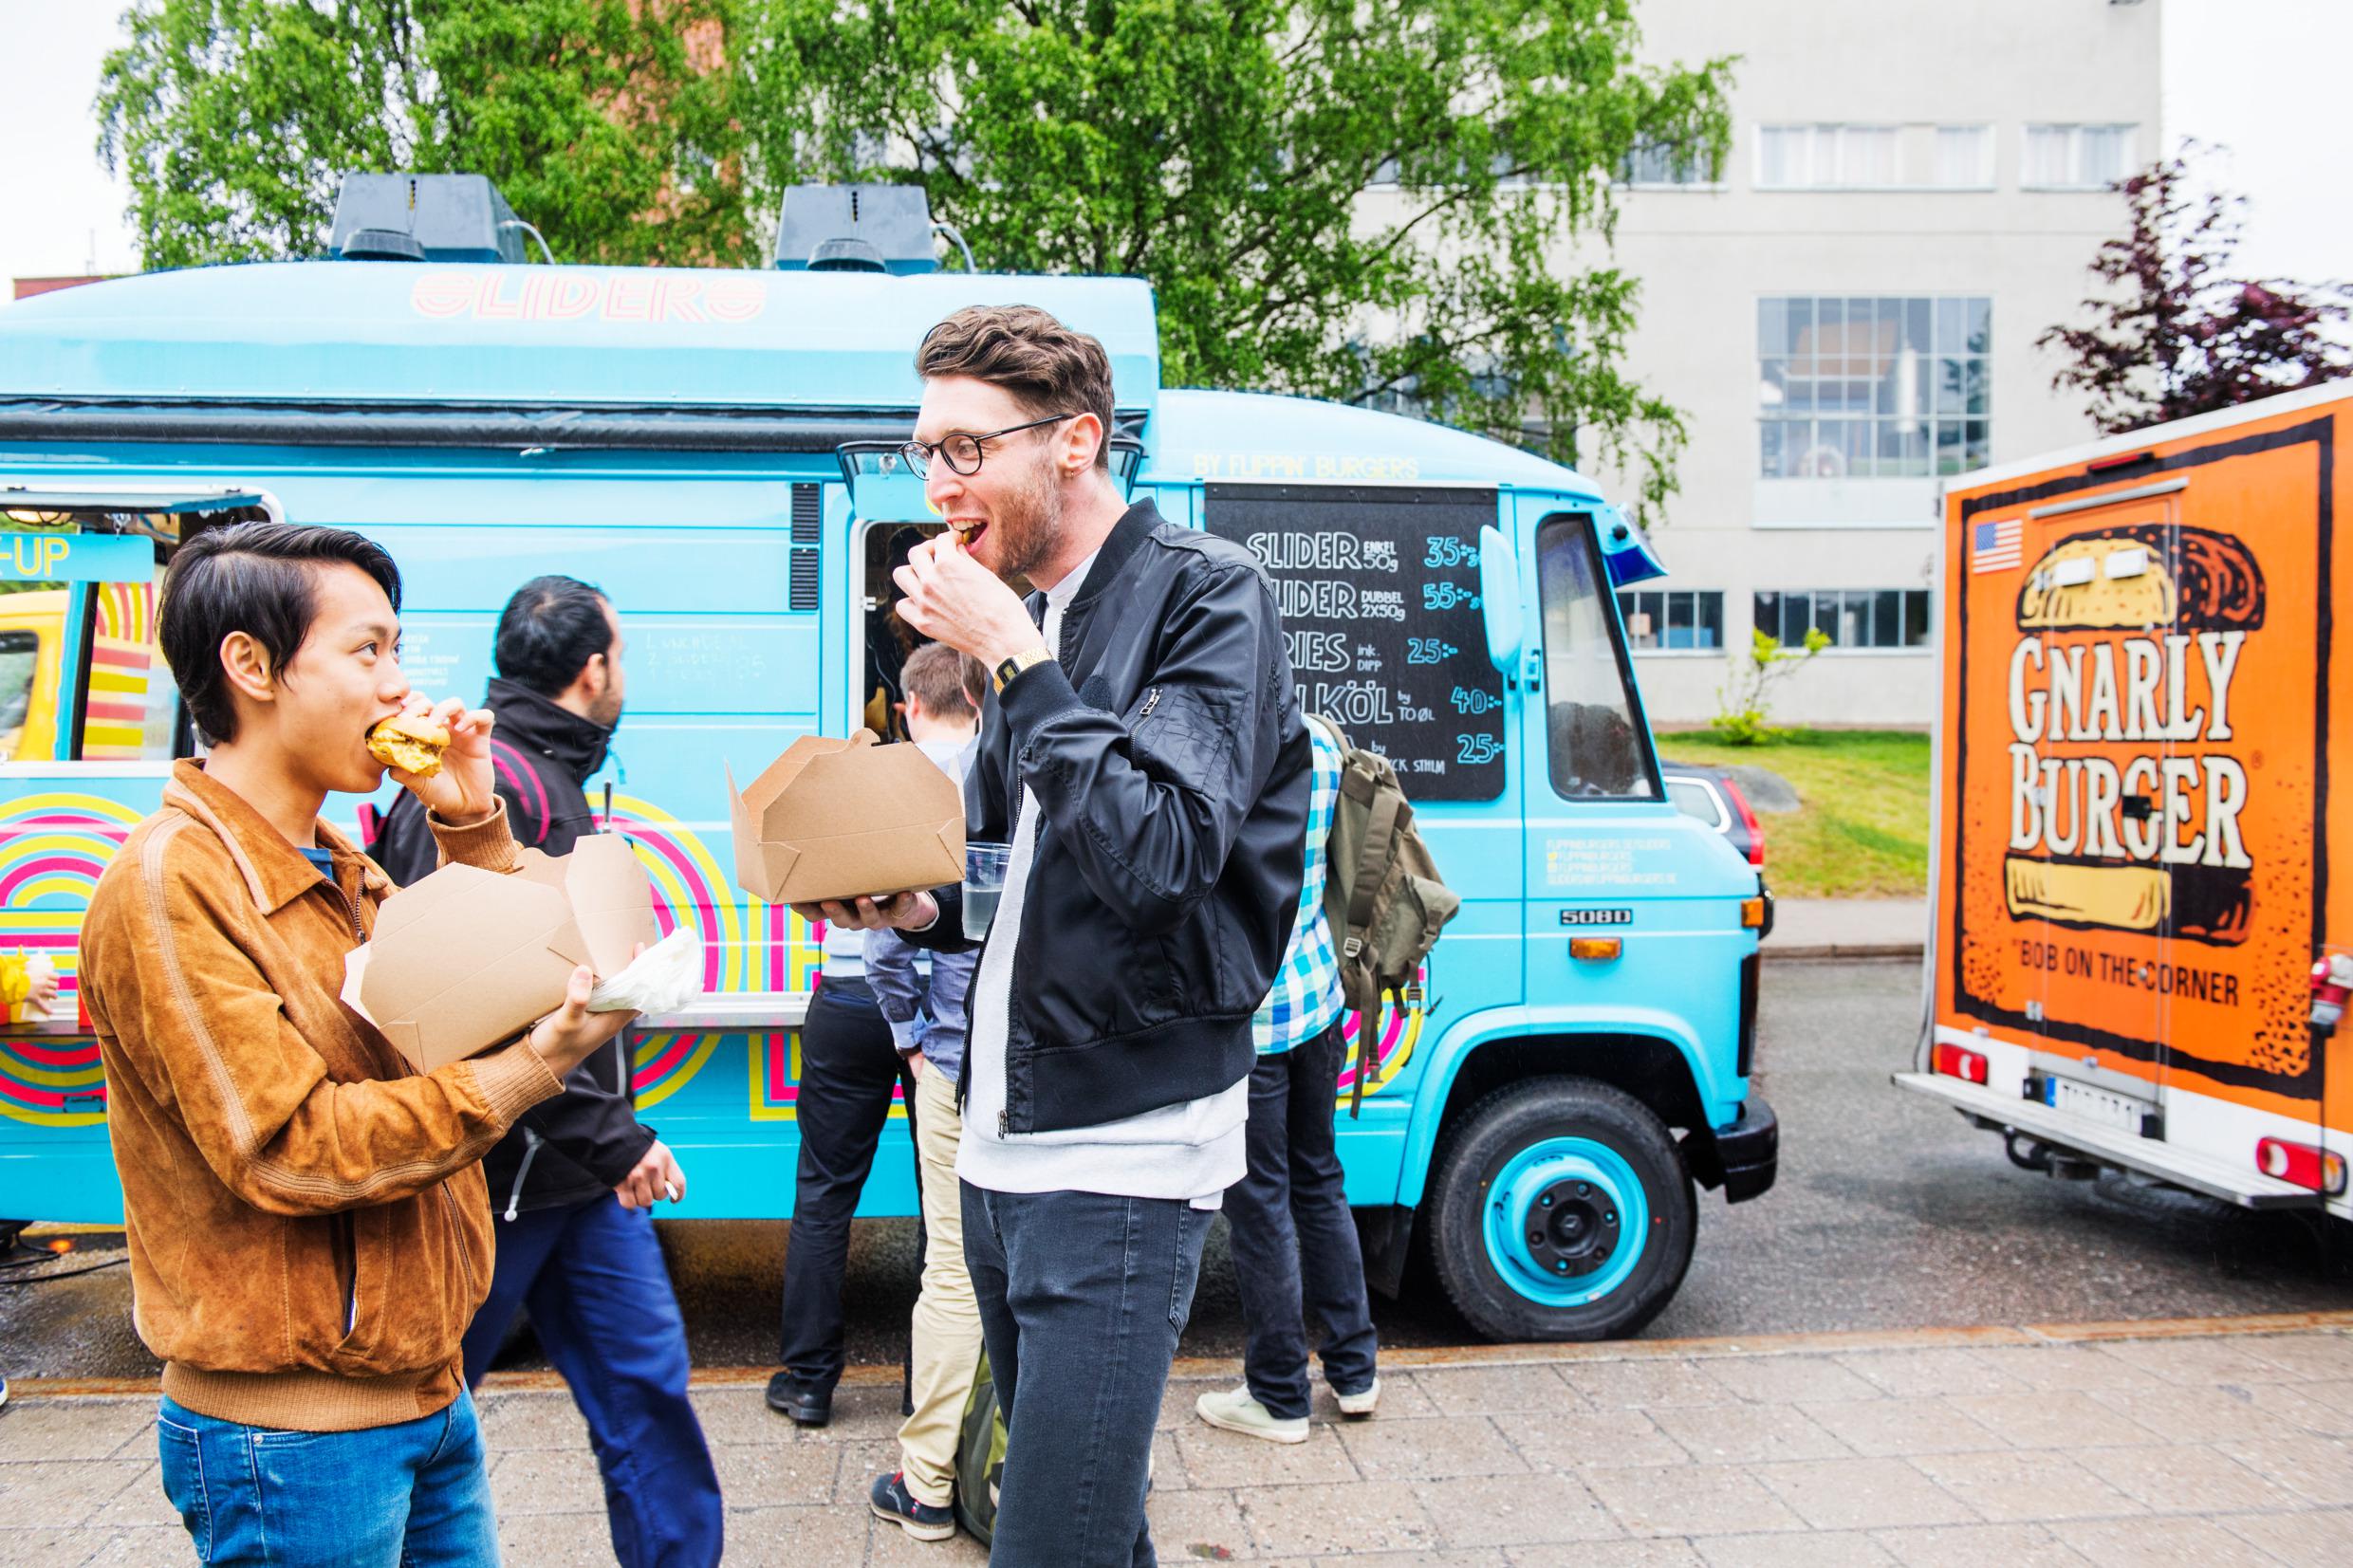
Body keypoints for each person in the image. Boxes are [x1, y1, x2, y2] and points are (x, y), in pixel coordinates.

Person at [803, 304, 1309, 1568]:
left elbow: (1164, 855)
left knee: (1047, 1545)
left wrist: (1016, 658)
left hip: (1122, 1157)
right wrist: (912, 909)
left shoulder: (1203, 593)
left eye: (966, 448)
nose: (936, 482)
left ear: (1074, 441)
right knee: (1090, 1526)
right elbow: (1023, 879)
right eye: (924, 450)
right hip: (999, 1143)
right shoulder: (1043, 615)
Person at [78, 522, 636, 1568]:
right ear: (251, 667)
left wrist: (472, 827)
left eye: (397, 649)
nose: (397, 686)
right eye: (366, 650)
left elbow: (480, 1010)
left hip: (424, 1397)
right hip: (294, 1441)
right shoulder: (171, 884)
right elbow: (293, 1148)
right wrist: (536, 1068)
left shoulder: (342, 862)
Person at [374, 575, 722, 1568]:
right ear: (593, 669)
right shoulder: (485, 795)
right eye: (622, 657)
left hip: (575, 1178)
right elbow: (460, 1008)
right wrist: (611, 1134)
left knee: (645, 1391)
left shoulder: (545, 778)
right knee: (422, 1410)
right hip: (496, 1175)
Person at [1195, 716, 1380, 1443]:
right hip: (1317, 998)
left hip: (1253, 1018)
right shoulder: (1322, 738)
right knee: (1320, 1180)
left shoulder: (1222, 747)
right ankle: (1355, 1370)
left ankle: (1278, 1395)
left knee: (1260, 1205)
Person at [860, 644, 982, 1540]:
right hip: (1040, 1059)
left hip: (951, 1059)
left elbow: (884, 942)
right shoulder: (1025, 770)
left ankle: (931, 1479)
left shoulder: (904, 790)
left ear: (910, 705)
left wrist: (909, 1036)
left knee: (954, 1266)